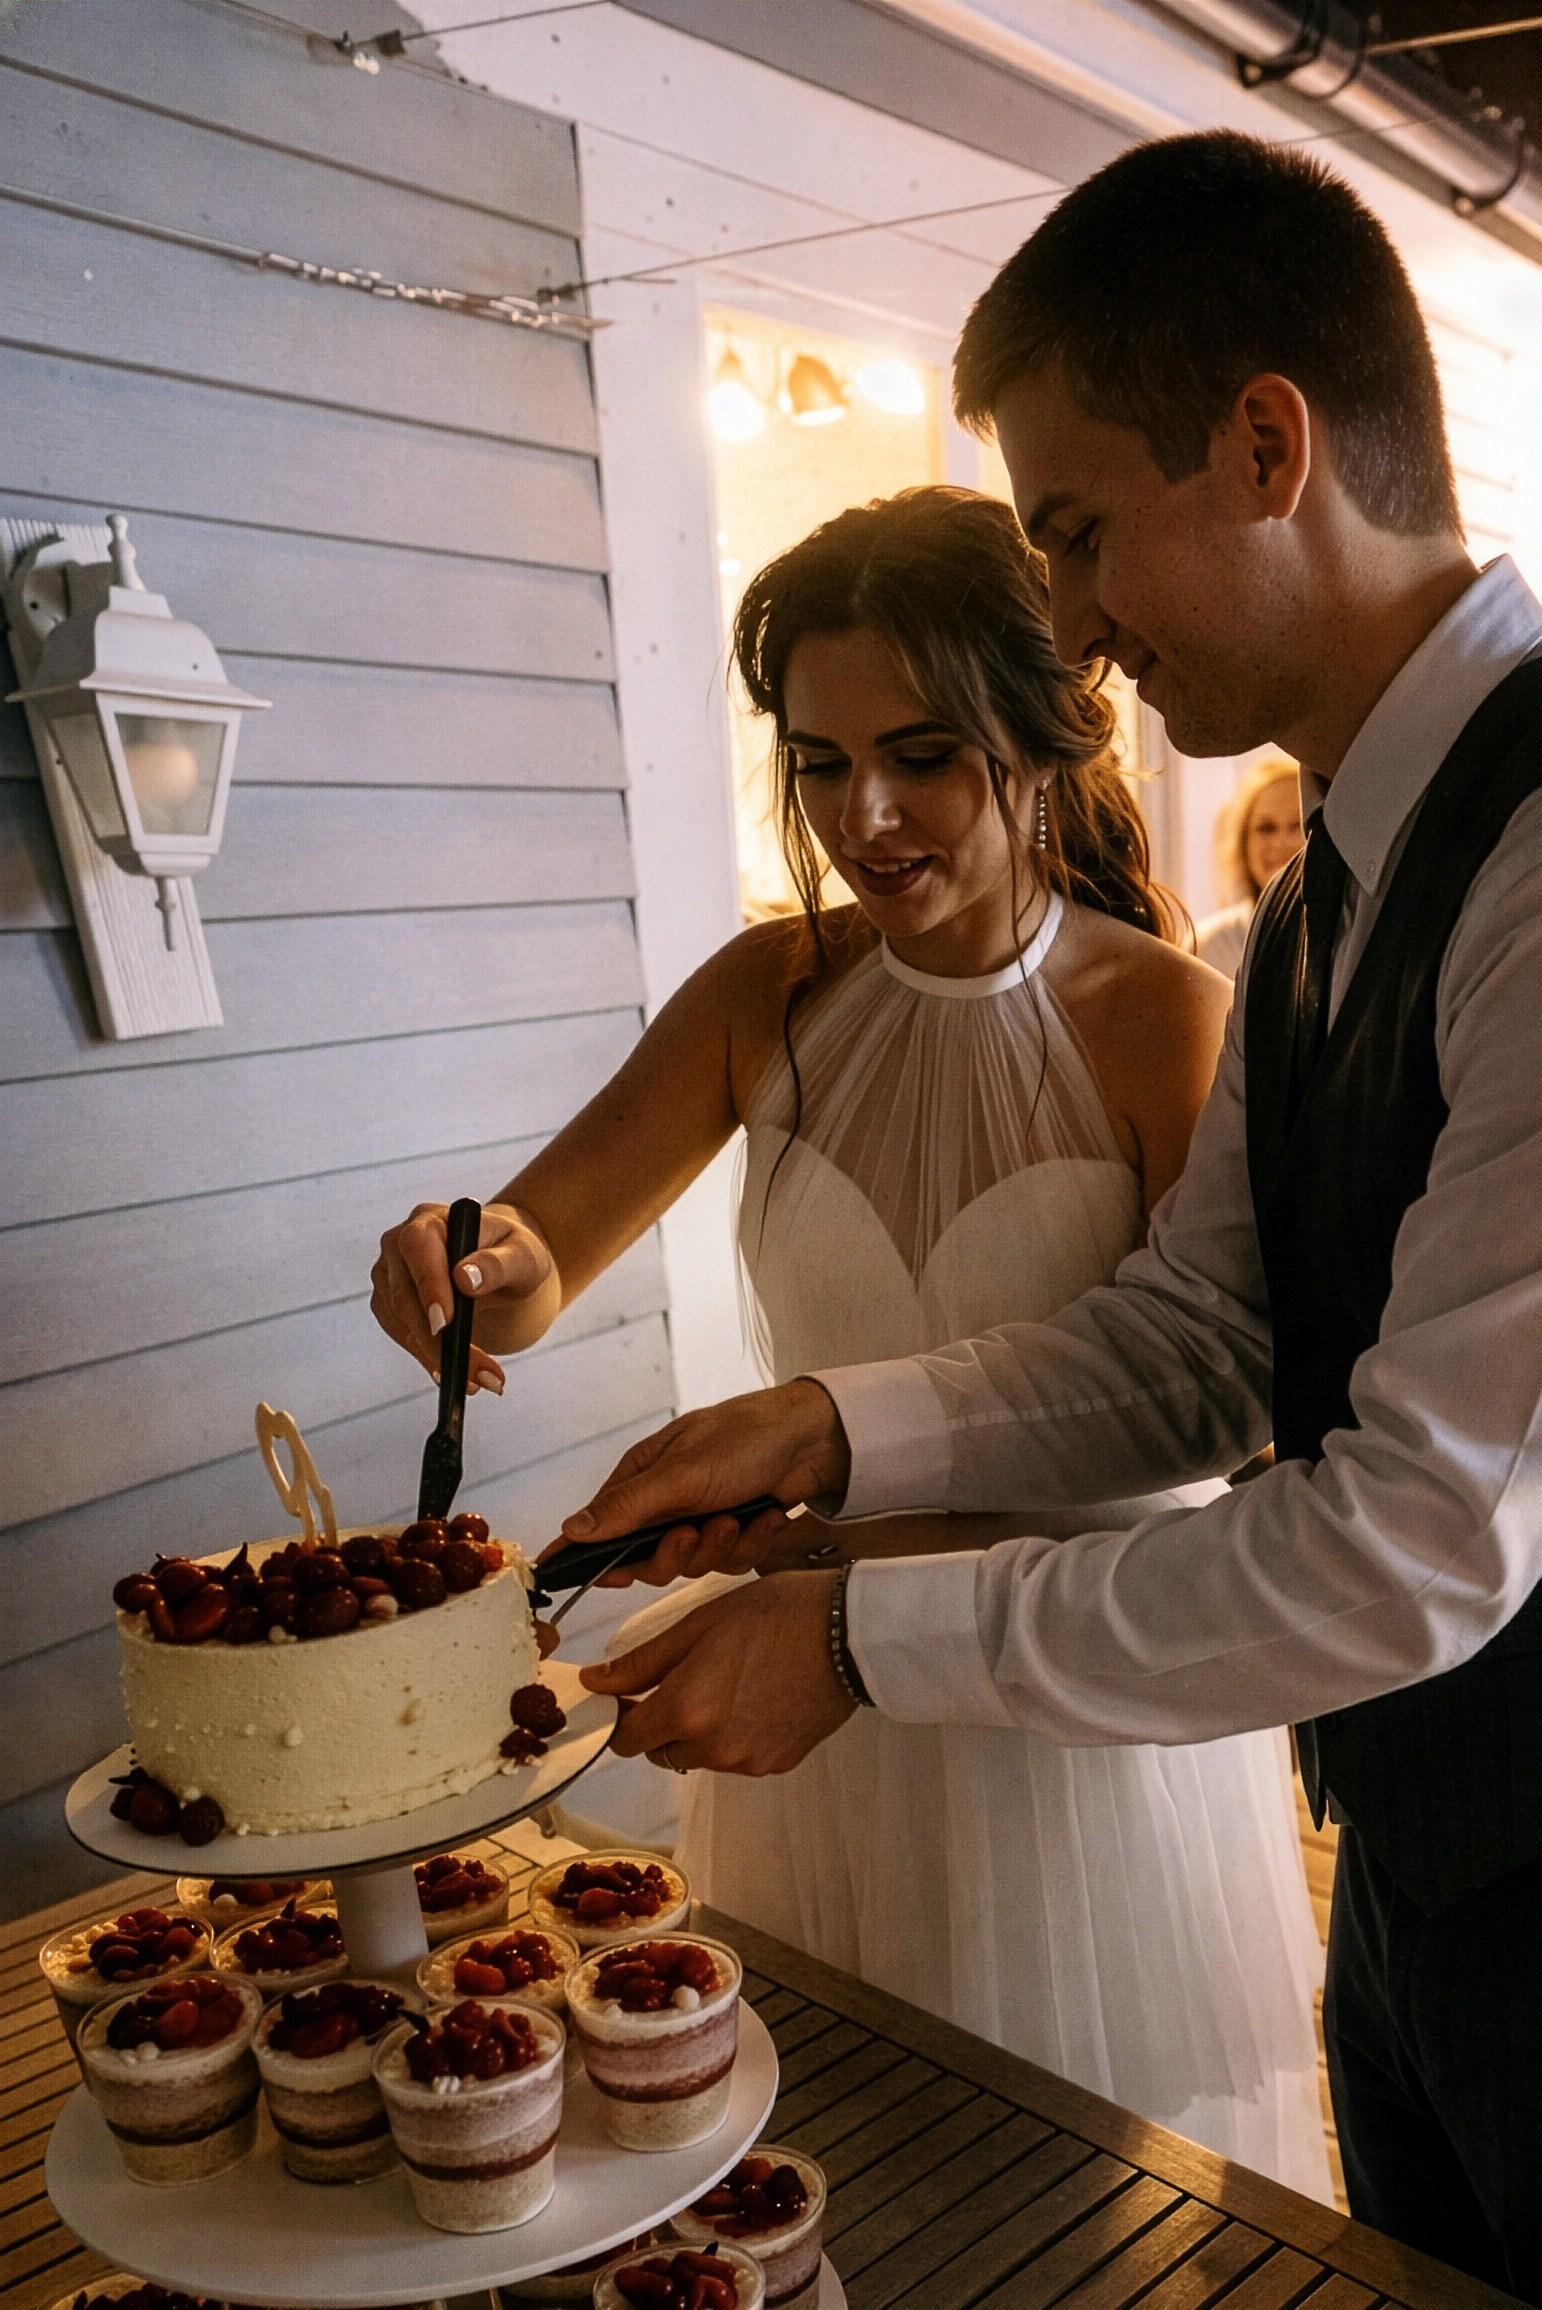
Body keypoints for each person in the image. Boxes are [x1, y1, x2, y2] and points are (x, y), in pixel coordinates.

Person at [554, 131, 1542, 2310]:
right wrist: (831, 1433)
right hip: (1436, 1863)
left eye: (1080, 527)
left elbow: (1412, 1537)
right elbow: (1196, 1342)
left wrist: (864, 1637)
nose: (1069, 619)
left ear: (1268, 444)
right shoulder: (1317, 901)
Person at [369, 486, 1329, 2194]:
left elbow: (1220, 1415)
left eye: (920, 756)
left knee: (1101, 2204)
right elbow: (536, 1258)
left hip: (1067, 1716)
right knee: (826, 2180)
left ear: (1045, 738)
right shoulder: (769, 995)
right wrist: (470, 1260)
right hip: (797, 1708)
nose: (862, 815)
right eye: (817, 763)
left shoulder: (1164, 1018)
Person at [1195, 756, 1304, 976]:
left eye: (1297, 826)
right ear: (1243, 842)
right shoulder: (1211, 945)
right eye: (1266, 828)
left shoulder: (1351, 933)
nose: (1281, 843)